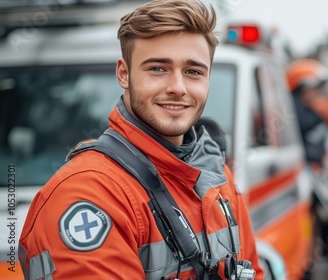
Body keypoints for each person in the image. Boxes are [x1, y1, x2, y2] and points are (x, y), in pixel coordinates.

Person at [18, 1, 264, 279]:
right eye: (158, 69)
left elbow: (252, 270)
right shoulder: (89, 193)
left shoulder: (216, 173)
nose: (177, 88)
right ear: (124, 74)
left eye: (193, 71)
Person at [286, 59, 328, 261]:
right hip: (304, 173)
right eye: (313, 88)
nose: (317, 93)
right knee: (315, 217)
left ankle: (326, 252)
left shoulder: (313, 109)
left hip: (316, 172)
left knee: (324, 214)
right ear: (301, 87)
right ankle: (313, 259)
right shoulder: (298, 110)